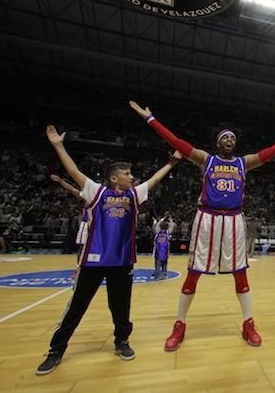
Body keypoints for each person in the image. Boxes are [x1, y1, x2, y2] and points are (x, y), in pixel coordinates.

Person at [129, 100, 275, 350]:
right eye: (225, 138)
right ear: (218, 143)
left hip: (234, 220)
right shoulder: (206, 160)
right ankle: (179, 325)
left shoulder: (243, 163)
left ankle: (248, 323)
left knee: (240, 272)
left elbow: (270, 152)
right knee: (194, 272)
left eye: (233, 139)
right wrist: (151, 119)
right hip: (207, 218)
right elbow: (177, 142)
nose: (230, 141)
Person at [35, 125, 180, 375]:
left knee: (121, 306)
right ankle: (56, 349)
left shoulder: (134, 195)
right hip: (93, 260)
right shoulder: (97, 191)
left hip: (122, 261)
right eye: (127, 173)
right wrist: (58, 146)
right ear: (114, 178)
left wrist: (171, 164)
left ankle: (121, 341)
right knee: (77, 306)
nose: (131, 176)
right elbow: (74, 171)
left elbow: (153, 181)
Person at [50, 174, 87, 262]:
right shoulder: (85, 196)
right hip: (86, 223)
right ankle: (79, 267)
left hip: (97, 224)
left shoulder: (102, 196)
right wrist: (60, 180)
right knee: (82, 246)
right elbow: (70, 188)